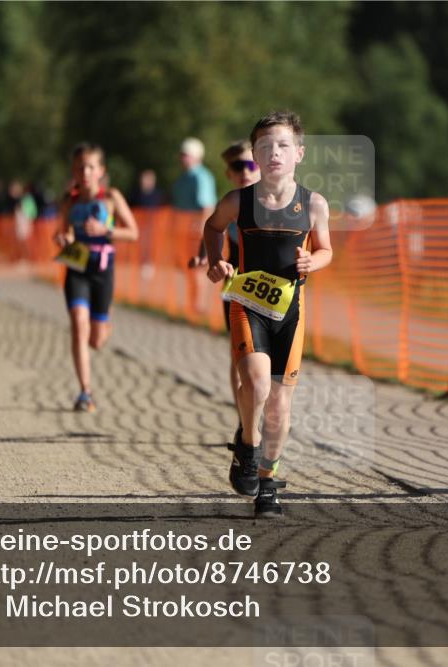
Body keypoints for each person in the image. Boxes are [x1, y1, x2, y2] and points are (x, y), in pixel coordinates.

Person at [203, 111, 332, 518]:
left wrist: (316, 260)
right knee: (257, 384)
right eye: (264, 146)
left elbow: (326, 249)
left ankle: (268, 481)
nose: (273, 152)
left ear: (299, 153)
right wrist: (216, 262)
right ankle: (247, 439)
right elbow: (212, 227)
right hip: (249, 304)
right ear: (255, 155)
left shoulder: (313, 203)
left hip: (290, 311)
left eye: (282, 145)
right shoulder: (238, 200)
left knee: (280, 404)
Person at [54, 142, 139, 413]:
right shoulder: (70, 200)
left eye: (90, 166)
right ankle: (85, 392)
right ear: (74, 170)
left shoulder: (111, 197)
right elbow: (62, 232)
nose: (85, 171)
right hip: (77, 267)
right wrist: (62, 238)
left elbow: (133, 232)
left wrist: (105, 229)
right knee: (79, 324)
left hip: (103, 268)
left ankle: (103, 327)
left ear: (100, 170)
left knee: (96, 340)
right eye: (80, 166)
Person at [189, 140, 261, 446]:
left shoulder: (276, 201)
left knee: (266, 359)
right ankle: (244, 422)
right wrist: (204, 256)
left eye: (250, 164)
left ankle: (263, 416)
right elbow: (212, 231)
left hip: (271, 288)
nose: (245, 172)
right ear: (228, 173)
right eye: (237, 167)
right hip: (235, 283)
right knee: (239, 356)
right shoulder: (231, 202)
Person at [174, 138, 217, 315]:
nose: (182, 158)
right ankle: (191, 306)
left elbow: (207, 206)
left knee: (198, 268)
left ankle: (199, 308)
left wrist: (203, 231)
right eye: (182, 155)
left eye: (186, 155)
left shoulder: (202, 177)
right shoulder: (183, 178)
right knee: (187, 269)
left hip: (196, 231)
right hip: (183, 231)